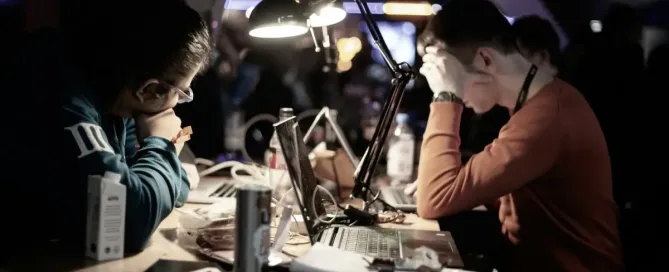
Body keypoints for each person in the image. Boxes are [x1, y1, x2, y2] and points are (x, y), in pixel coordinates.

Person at [413, 0, 622, 271]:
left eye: (449, 75)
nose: (457, 95)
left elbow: (434, 201)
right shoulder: (540, 102)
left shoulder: (547, 118)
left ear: (486, 60)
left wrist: (445, 96)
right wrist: (461, 182)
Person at [4, 0, 211, 255]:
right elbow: (125, 224)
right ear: (150, 89)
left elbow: (173, 186)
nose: (178, 104)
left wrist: (160, 158)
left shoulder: (114, 100)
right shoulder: (58, 94)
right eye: (181, 93)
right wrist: (161, 145)